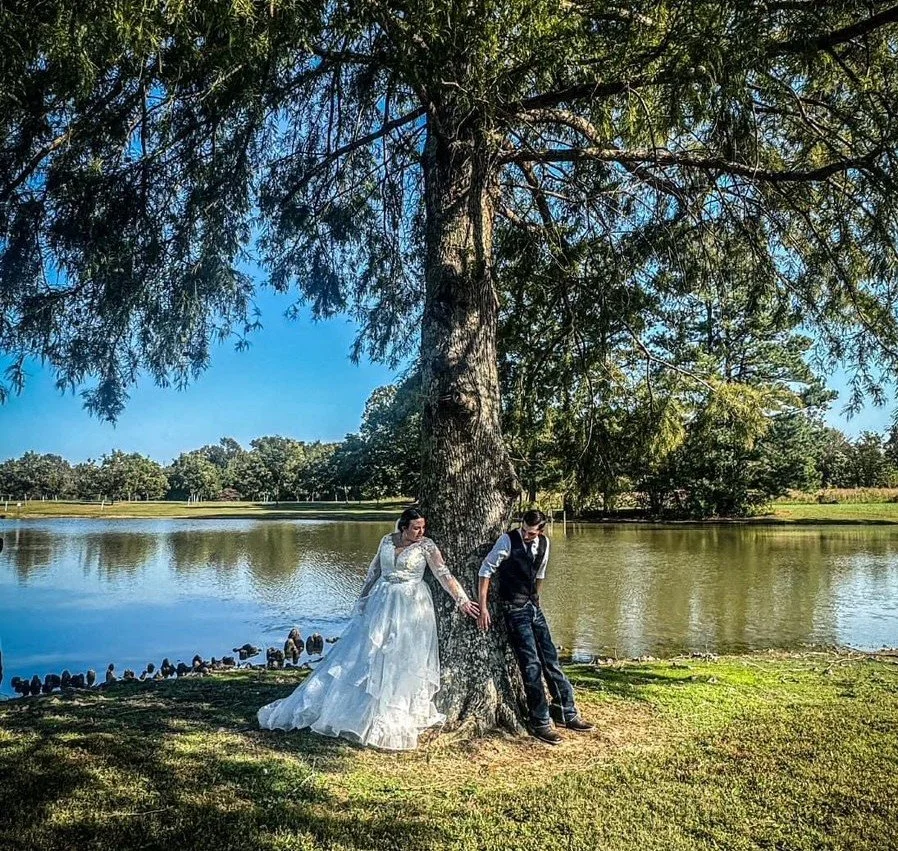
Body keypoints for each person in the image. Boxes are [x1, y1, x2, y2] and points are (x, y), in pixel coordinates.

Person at [258, 508, 479, 750]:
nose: (421, 531)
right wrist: (362, 599)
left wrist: (463, 600)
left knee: (401, 655)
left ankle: (394, 707)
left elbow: (443, 574)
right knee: (368, 653)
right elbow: (373, 572)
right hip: (381, 602)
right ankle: (360, 706)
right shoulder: (386, 540)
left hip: (411, 605)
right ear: (403, 527)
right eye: (416, 527)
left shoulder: (426, 546)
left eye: (422, 527)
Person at [477, 508, 593, 745]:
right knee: (530, 664)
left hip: (533, 606)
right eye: (524, 531)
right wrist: (484, 606)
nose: (526, 535)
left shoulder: (544, 543)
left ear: (541, 530)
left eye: (531, 533)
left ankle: (565, 711)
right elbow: (485, 570)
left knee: (550, 659)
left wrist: (535, 600)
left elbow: (540, 573)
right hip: (513, 608)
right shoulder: (507, 540)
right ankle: (539, 721)